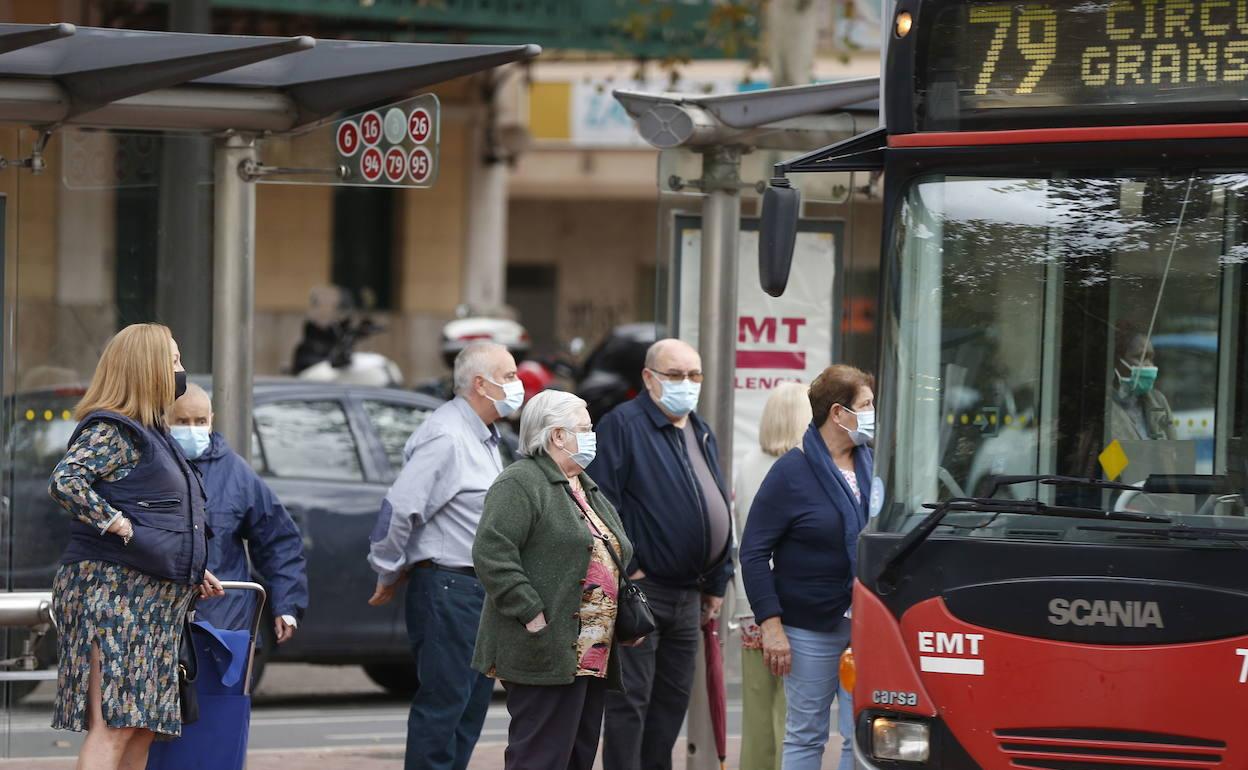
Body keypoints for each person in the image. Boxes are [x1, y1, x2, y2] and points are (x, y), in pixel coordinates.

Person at [47, 323, 224, 770]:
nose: (182, 370)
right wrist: (118, 524)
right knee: (114, 725)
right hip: (111, 594)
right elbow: (66, 481)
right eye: (174, 360)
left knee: (144, 726)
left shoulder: (153, 432)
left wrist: (190, 566)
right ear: (147, 369)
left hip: (152, 597)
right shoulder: (115, 430)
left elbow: (163, 518)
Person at [367, 341, 523, 770]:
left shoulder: (484, 437)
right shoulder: (447, 435)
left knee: (469, 711)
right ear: (480, 384)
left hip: (477, 590)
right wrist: (387, 567)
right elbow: (400, 507)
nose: (517, 384)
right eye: (509, 376)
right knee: (444, 708)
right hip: (449, 586)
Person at [588, 338, 734, 770]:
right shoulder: (624, 425)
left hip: (691, 594)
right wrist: (629, 569)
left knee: (671, 702)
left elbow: (718, 504)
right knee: (630, 703)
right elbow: (600, 502)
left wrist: (718, 579)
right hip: (644, 590)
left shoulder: (700, 429)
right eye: (676, 375)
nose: (687, 384)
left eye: (694, 375)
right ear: (649, 378)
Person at [472, 390, 636, 770]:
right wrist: (531, 612)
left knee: (577, 756)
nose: (592, 435)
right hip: (544, 646)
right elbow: (492, 553)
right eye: (585, 427)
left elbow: (613, 550)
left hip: (591, 651)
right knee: (541, 757)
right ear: (557, 435)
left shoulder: (582, 486)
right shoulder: (521, 482)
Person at [740, 365, 875, 770]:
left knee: (863, 733)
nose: (873, 413)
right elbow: (752, 552)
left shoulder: (875, 464)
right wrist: (771, 624)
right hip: (808, 628)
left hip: (870, 625)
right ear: (838, 413)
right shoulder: (791, 471)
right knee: (805, 734)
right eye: (866, 405)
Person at [168, 383, 309, 639]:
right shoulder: (152, 467)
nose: (191, 429)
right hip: (161, 620)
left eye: (200, 421)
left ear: (211, 421)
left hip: (222, 621)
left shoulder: (235, 473)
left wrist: (286, 605)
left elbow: (278, 539)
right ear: (165, 421)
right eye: (182, 420)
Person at [733, 382, 812, 770]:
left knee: (758, 710)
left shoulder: (747, 464)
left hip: (751, 602)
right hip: (791, 602)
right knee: (794, 711)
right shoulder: (803, 469)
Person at [1108, 328, 1176, 442]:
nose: (1149, 365)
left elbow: (1175, 449)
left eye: (1150, 358)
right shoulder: (1104, 409)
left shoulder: (1158, 401)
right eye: (1140, 357)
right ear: (1117, 361)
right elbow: (1110, 458)